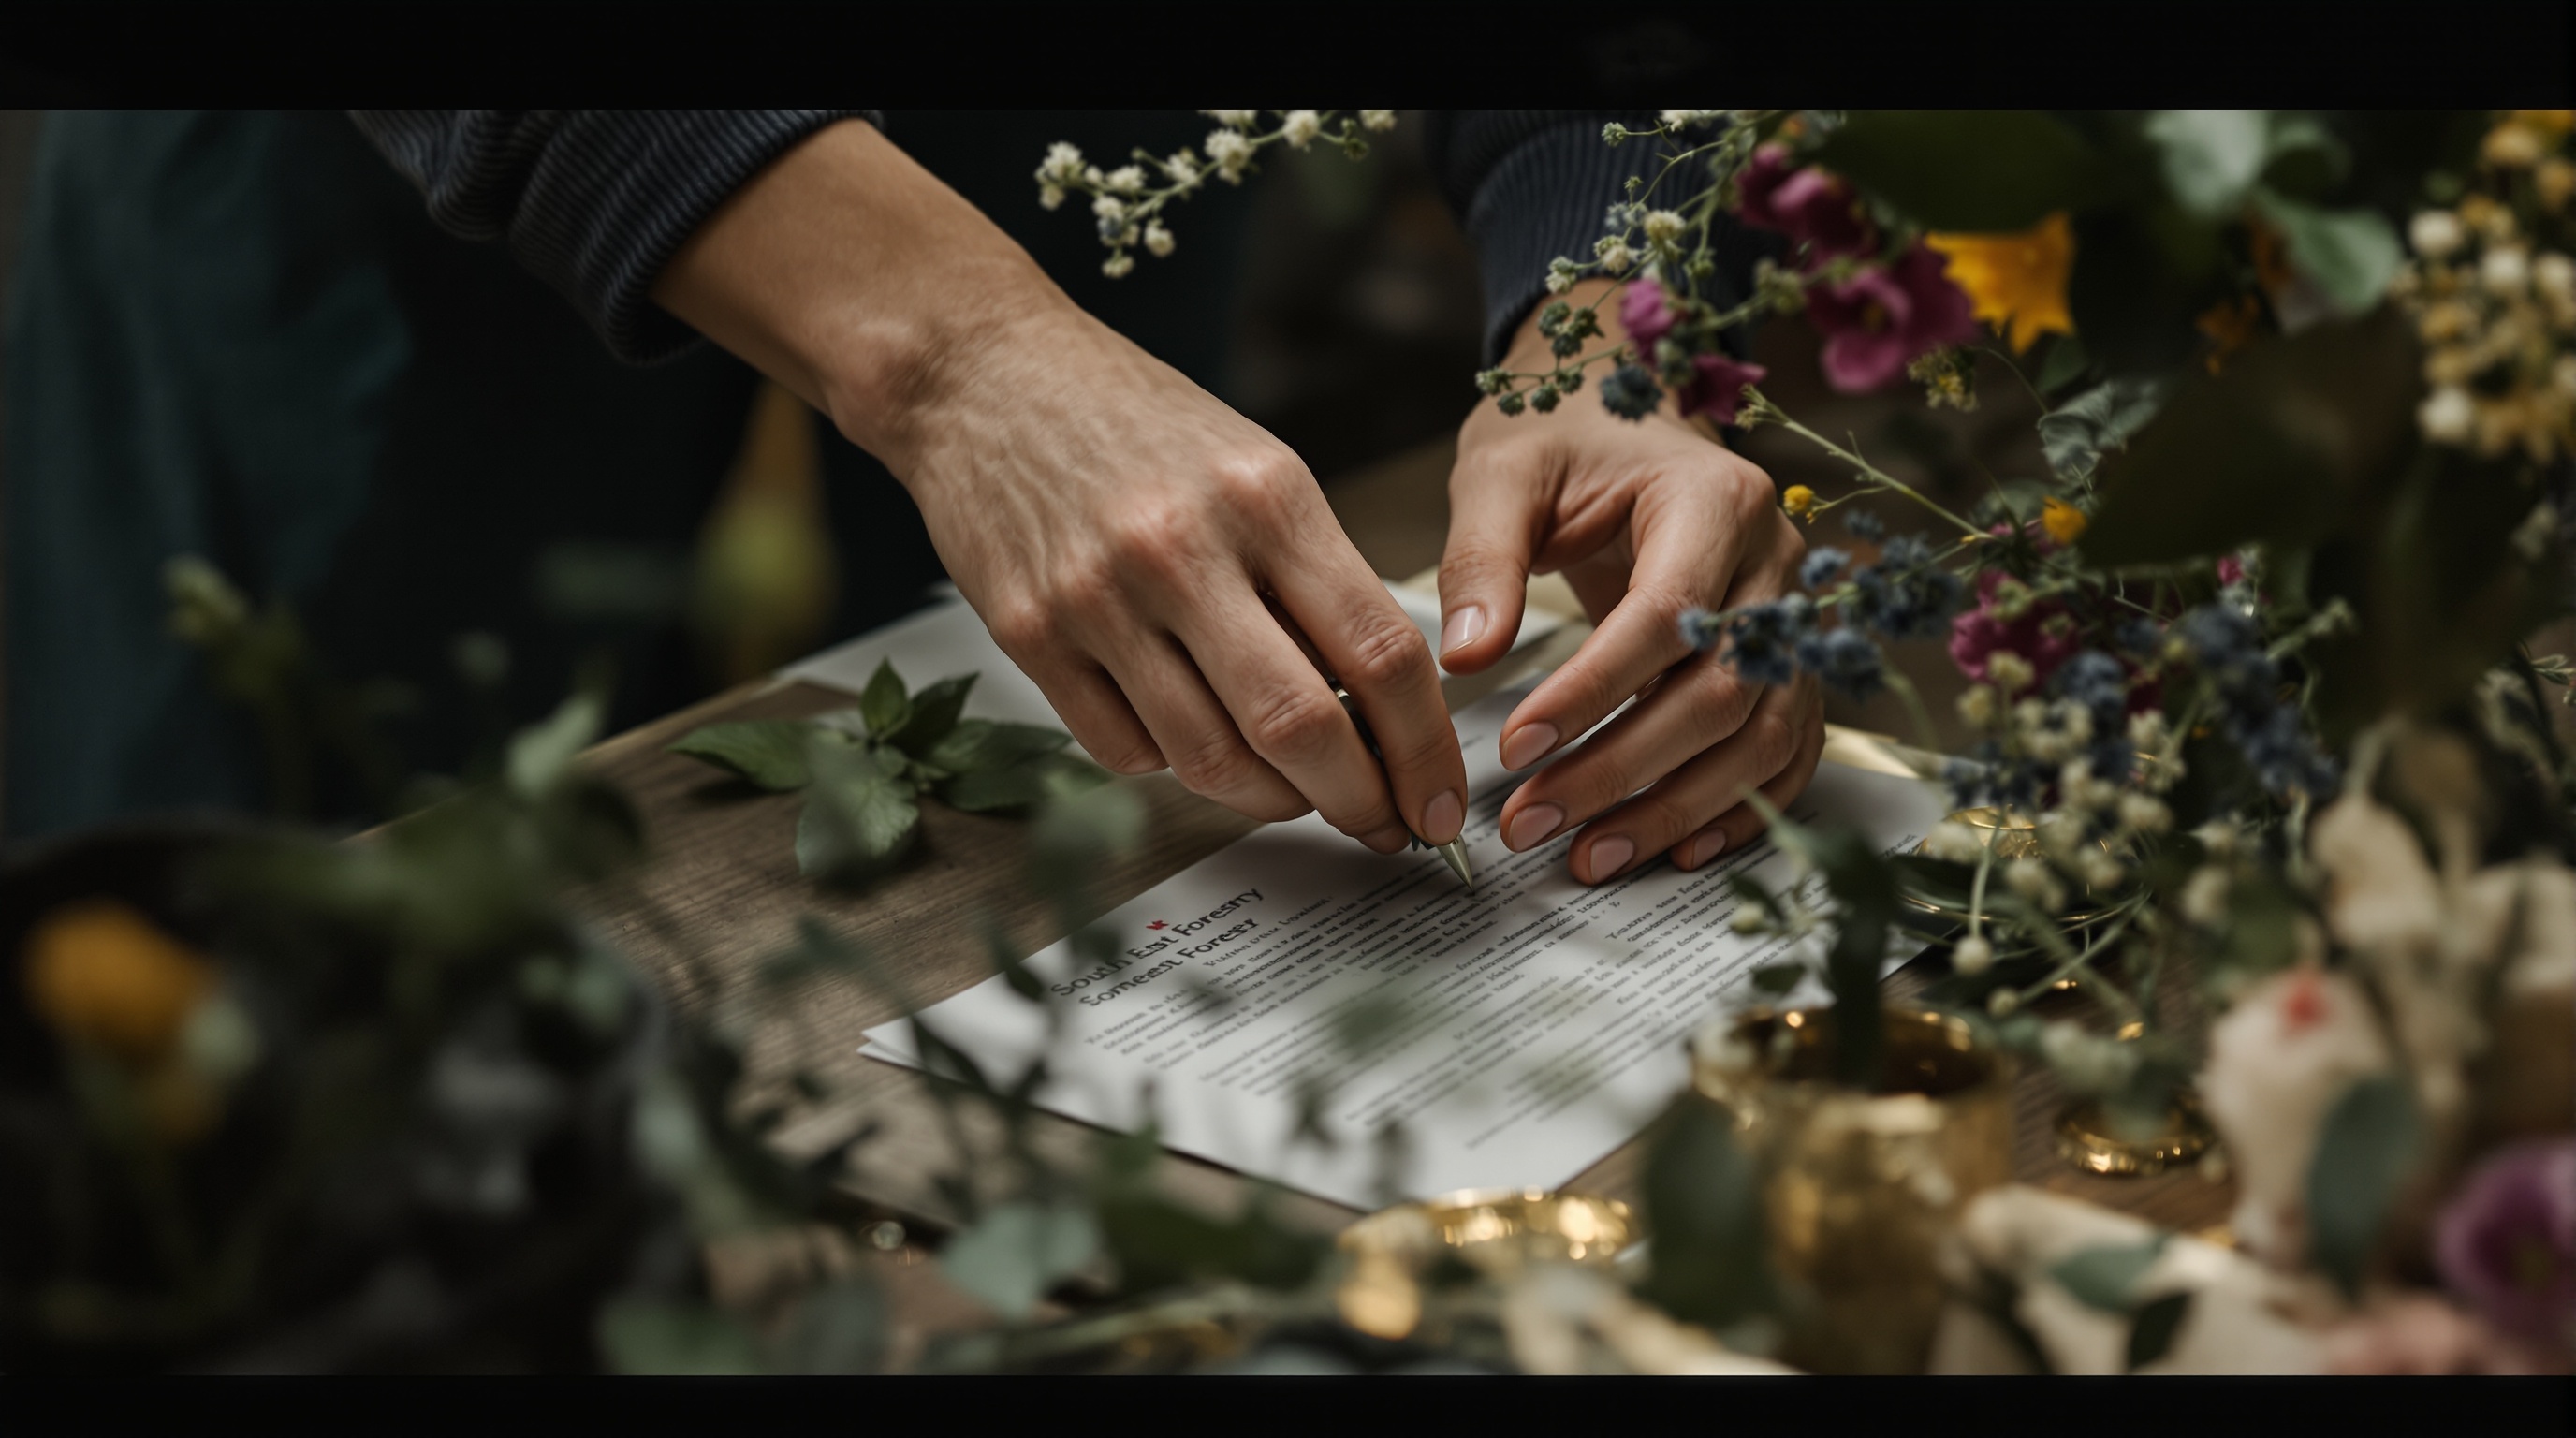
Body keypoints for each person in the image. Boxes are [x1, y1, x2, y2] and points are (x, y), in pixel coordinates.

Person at [4, 110, 1821, 885]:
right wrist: (952, 358)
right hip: (360, 188)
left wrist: (1608, 295)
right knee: (269, 918)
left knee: (1088, 777)